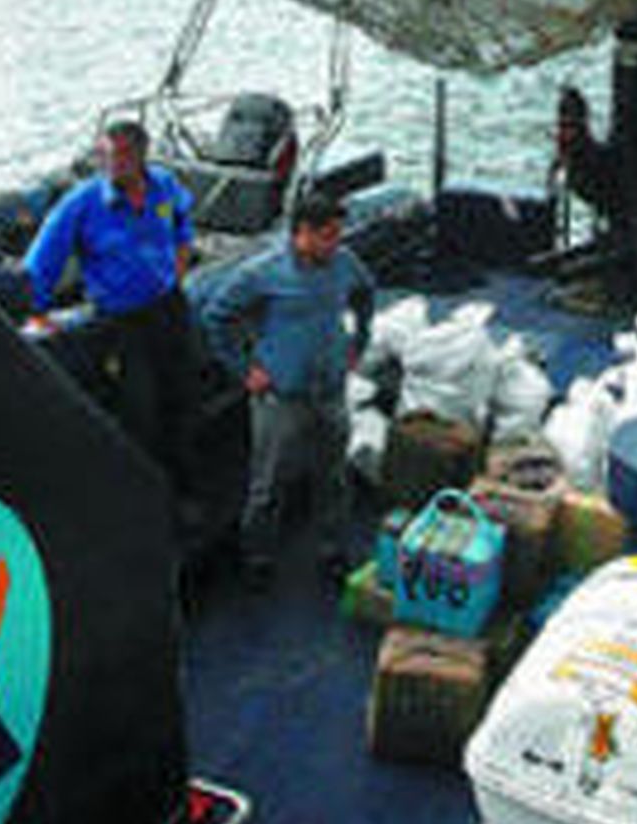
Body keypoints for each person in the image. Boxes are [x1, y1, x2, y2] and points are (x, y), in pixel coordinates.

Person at [199, 185, 374, 587]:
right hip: (280, 398)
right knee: (268, 485)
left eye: (338, 235)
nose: (336, 244)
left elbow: (366, 293)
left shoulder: (345, 263)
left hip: (329, 392)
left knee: (333, 477)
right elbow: (216, 318)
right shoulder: (262, 273)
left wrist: (358, 341)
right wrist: (245, 370)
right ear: (302, 233)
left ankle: (331, 549)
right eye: (328, 235)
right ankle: (256, 557)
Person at [24, 118, 201, 502]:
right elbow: (42, 263)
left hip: (168, 308)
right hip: (122, 322)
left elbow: (183, 230)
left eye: (119, 155)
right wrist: (36, 311)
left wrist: (177, 273)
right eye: (103, 154)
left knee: (181, 397)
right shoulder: (81, 204)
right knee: (140, 410)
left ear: (140, 156)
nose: (110, 163)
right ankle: (145, 496)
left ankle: (185, 488)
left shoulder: (164, 186)